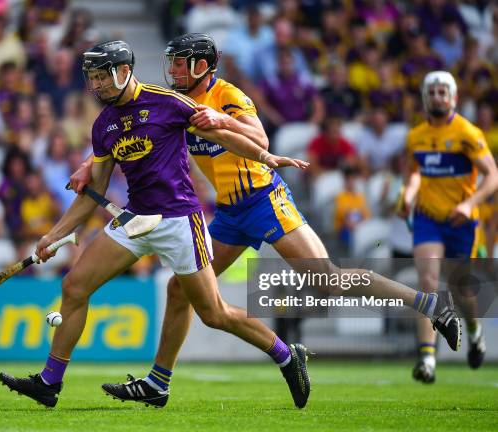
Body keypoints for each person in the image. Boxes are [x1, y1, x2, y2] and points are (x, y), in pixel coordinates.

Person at [71, 34, 462, 409]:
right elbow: (135, 130)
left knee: (327, 279)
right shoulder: (174, 101)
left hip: (264, 200)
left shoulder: (227, 95)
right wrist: (90, 166)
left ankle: (428, 303)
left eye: (179, 63)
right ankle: (158, 383)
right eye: (170, 62)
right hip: (229, 213)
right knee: (180, 291)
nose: (171, 70)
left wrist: (221, 121)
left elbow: (261, 138)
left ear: (202, 65)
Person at [0, 40, 312, 409]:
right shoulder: (104, 126)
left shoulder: (168, 102)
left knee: (214, 313)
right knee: (74, 286)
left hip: (180, 221)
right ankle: (49, 382)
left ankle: (286, 356)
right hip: (135, 220)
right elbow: (93, 189)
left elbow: (220, 135)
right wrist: (55, 234)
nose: (95, 86)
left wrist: (264, 156)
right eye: (92, 78)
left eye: (102, 77)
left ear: (123, 71)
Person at [399, 71, 498, 384]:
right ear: (426, 98)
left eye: (444, 92)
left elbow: (493, 175)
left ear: (454, 98)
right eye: (433, 92)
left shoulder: (467, 133)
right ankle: (427, 358)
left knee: (460, 288)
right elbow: (416, 173)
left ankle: (473, 330)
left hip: (461, 220)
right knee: (427, 283)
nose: (438, 97)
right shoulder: (416, 135)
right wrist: (409, 195)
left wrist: (470, 204)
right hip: (428, 217)